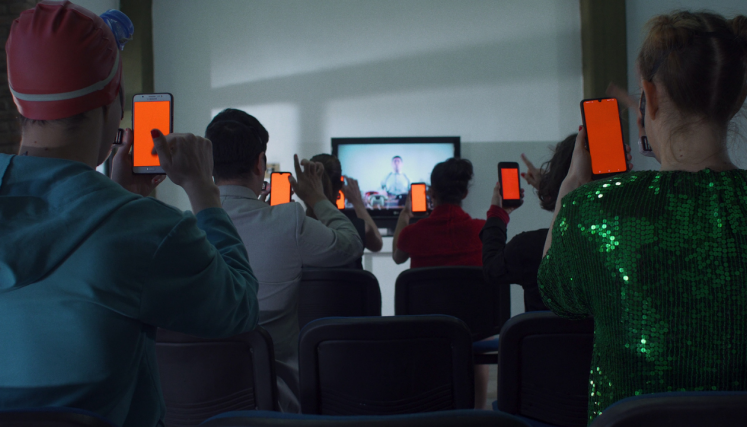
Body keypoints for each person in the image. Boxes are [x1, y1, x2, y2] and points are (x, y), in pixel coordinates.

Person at [0, 3, 259, 427]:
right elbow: (240, 306)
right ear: (115, 104)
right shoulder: (146, 231)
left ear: (17, 100)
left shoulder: (132, 223)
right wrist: (202, 189)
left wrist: (118, 197)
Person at [538, 11, 747, 424]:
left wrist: (569, 191)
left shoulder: (593, 208)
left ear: (648, 95)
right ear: (734, 98)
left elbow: (556, 291)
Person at [206, 110, 364, 412]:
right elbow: (350, 245)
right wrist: (317, 198)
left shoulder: (186, 227)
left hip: (201, 401)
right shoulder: (288, 219)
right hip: (277, 403)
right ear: (260, 163)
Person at [391, 157, 489, 409]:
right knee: (475, 347)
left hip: (425, 328)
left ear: (431, 193)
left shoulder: (412, 233)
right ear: (465, 193)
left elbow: (397, 256)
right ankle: (478, 414)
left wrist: (405, 215)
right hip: (473, 328)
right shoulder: (483, 231)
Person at [480, 135, 575, 312]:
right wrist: (551, 190)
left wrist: (497, 213)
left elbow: (491, 269)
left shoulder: (527, 247)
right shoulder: (624, 241)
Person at [308, 153, 384, 254]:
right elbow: (377, 245)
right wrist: (357, 202)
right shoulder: (355, 228)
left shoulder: (296, 226)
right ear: (340, 186)